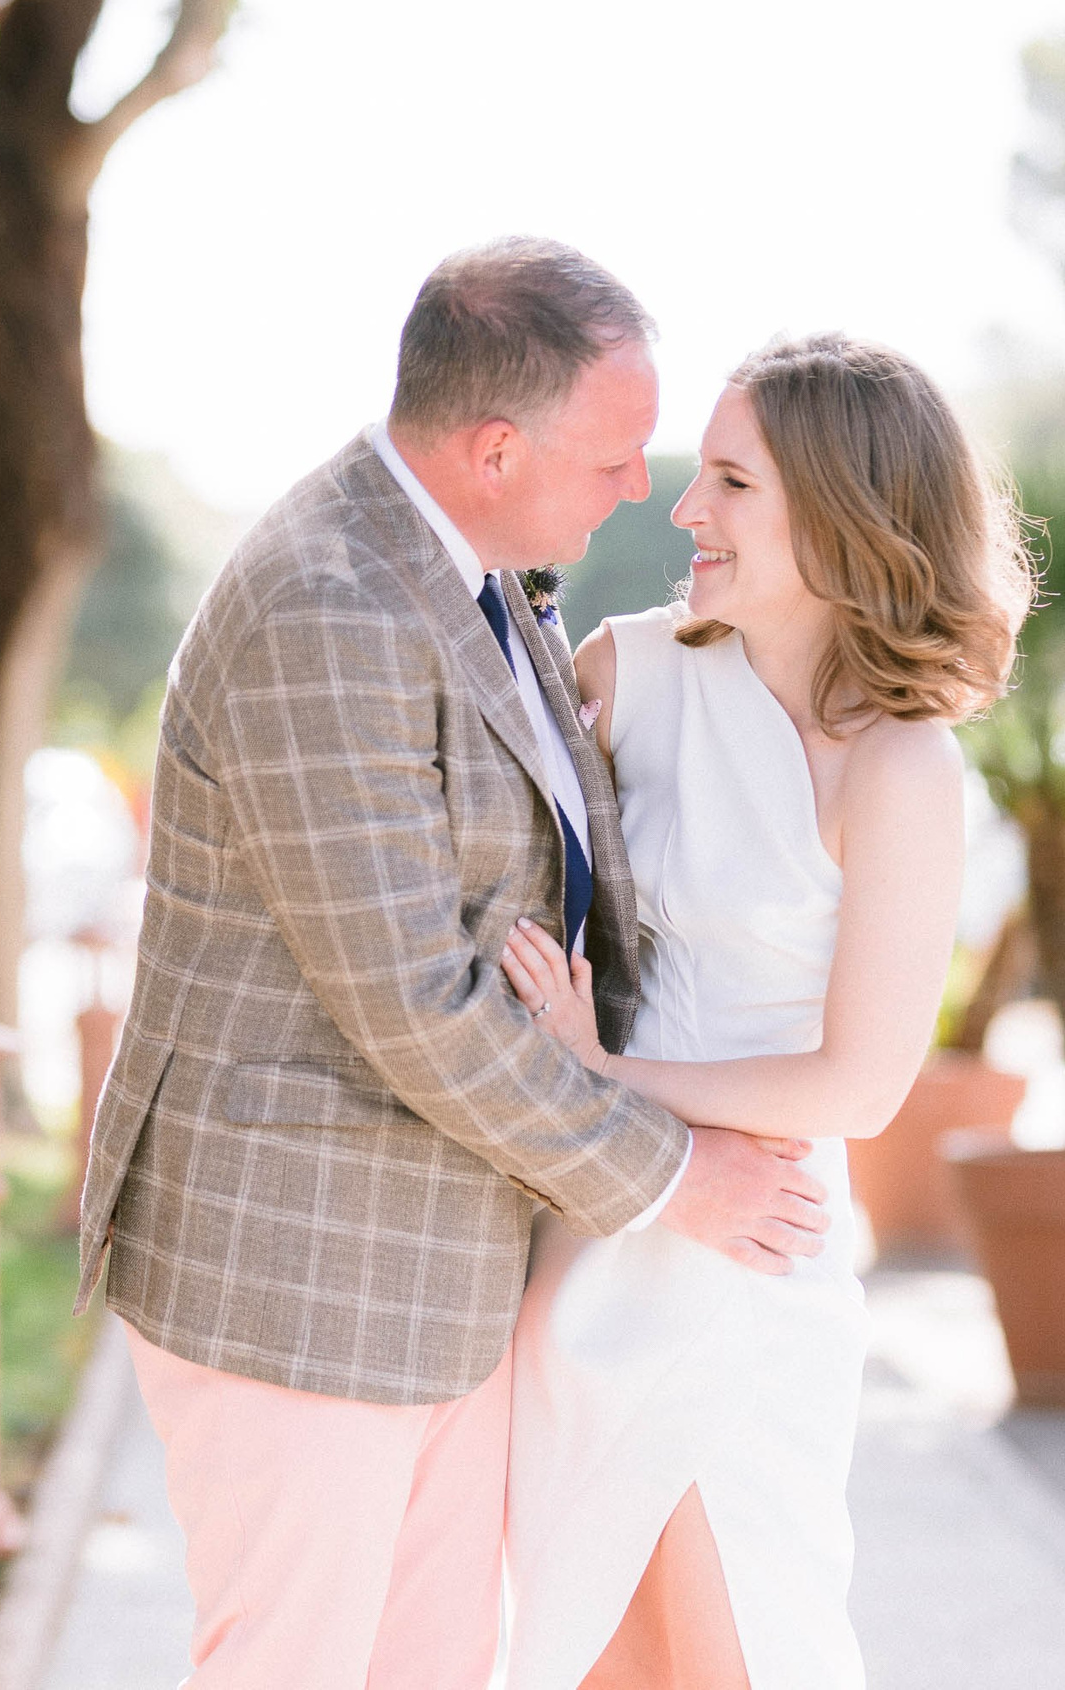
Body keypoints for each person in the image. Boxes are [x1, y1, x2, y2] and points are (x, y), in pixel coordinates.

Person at [72, 239, 832, 1690]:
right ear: (495, 446)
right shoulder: (326, 602)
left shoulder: (479, 573)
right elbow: (410, 999)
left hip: (443, 1270)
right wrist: (676, 1175)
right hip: (294, 1272)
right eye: (613, 456)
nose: (638, 489)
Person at [496, 332, 1032, 1690]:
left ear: (840, 512)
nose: (685, 507)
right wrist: (585, 1086)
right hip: (596, 1231)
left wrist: (603, 1065)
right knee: (592, 1649)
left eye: (729, 482)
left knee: (748, 1647)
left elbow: (856, 1088)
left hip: (756, 1252)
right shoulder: (627, 675)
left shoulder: (903, 767)